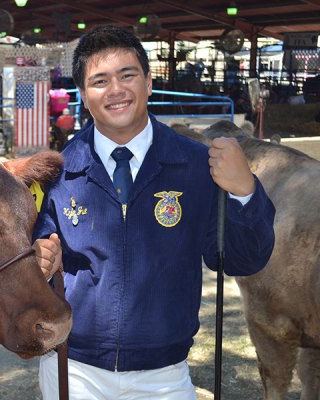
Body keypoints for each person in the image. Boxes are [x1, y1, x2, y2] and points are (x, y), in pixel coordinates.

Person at [32, 25, 275, 399]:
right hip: (72, 367)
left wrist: (245, 192)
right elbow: (33, 253)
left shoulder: (196, 166)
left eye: (127, 75)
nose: (115, 90)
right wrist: (38, 258)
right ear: (83, 94)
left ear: (148, 82)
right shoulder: (56, 171)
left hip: (164, 375)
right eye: (100, 80)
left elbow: (243, 259)